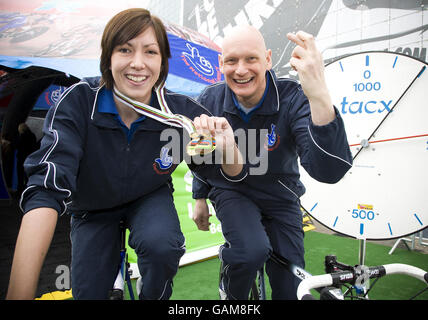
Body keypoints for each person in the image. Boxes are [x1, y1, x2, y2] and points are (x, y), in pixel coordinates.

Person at [6, 8, 240, 300]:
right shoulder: (78, 102)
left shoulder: (180, 112)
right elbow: (45, 189)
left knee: (162, 246)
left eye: (151, 52)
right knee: (88, 293)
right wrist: (19, 293)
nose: (138, 64)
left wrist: (228, 144)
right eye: (125, 49)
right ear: (108, 57)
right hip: (92, 206)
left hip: (149, 195)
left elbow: (232, 171)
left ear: (162, 61)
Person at [191, 25, 353, 300]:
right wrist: (199, 198)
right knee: (249, 252)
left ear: (267, 59)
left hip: (282, 196)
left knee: (290, 287)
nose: (241, 70)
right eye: (231, 60)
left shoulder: (294, 97)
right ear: (221, 64)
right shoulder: (209, 99)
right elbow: (201, 159)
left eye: (251, 59)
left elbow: (329, 171)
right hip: (233, 191)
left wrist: (319, 94)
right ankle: (230, 292)